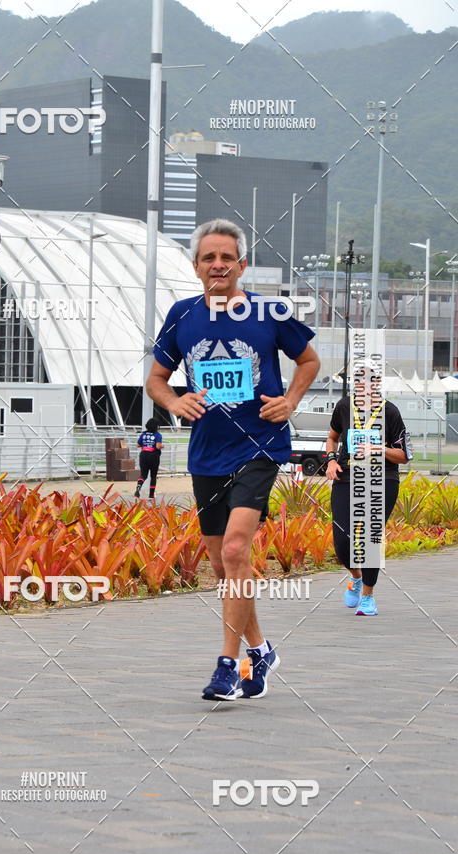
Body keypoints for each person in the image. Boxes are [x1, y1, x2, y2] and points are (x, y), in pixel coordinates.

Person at [146, 218, 320, 701]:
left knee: (235, 551)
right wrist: (173, 401)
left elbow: (309, 361)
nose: (218, 265)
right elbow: (156, 378)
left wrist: (291, 401)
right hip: (207, 454)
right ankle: (261, 649)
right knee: (225, 567)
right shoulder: (182, 315)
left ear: (242, 264)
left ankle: (230, 665)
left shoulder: (269, 311)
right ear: (196, 266)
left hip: (260, 446)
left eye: (227, 257)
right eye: (209, 258)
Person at [325, 360, 413, 616]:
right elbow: (331, 437)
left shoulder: (391, 412)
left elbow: (405, 455)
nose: (362, 385)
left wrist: (379, 449)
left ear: (377, 383)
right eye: (358, 380)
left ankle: (367, 596)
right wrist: (330, 460)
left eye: (368, 380)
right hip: (347, 477)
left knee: (370, 538)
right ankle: (356, 576)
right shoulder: (344, 407)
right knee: (342, 540)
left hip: (381, 479)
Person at [134, 417, 163, 499]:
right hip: (154, 456)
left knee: (143, 475)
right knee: (153, 476)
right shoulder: (157, 435)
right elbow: (158, 446)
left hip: (143, 455)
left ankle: (138, 487)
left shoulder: (143, 434)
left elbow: (138, 445)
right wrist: (162, 446)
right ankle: (151, 495)